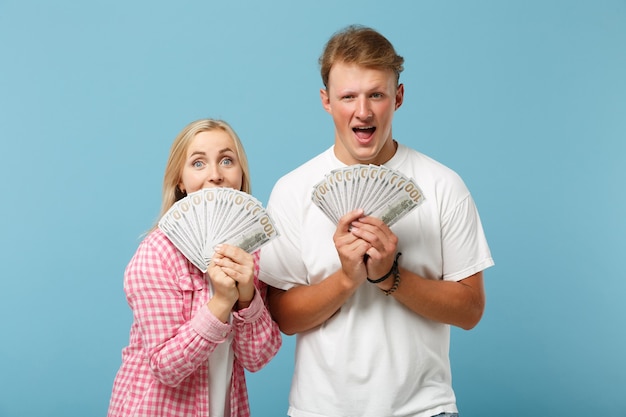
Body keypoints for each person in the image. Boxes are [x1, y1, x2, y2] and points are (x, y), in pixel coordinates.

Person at [259, 25, 494, 417]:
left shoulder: (443, 185)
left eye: (376, 95)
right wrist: (347, 279)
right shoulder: (292, 189)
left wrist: (389, 277)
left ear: (398, 97)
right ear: (326, 101)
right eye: (348, 96)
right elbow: (282, 316)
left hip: (424, 410)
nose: (363, 111)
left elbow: (470, 309)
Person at [107, 119, 282, 417]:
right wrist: (221, 302)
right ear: (180, 180)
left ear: (241, 174)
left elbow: (257, 358)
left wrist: (246, 297)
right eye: (198, 163)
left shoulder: (251, 252)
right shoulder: (156, 254)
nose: (215, 175)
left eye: (227, 160)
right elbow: (165, 367)